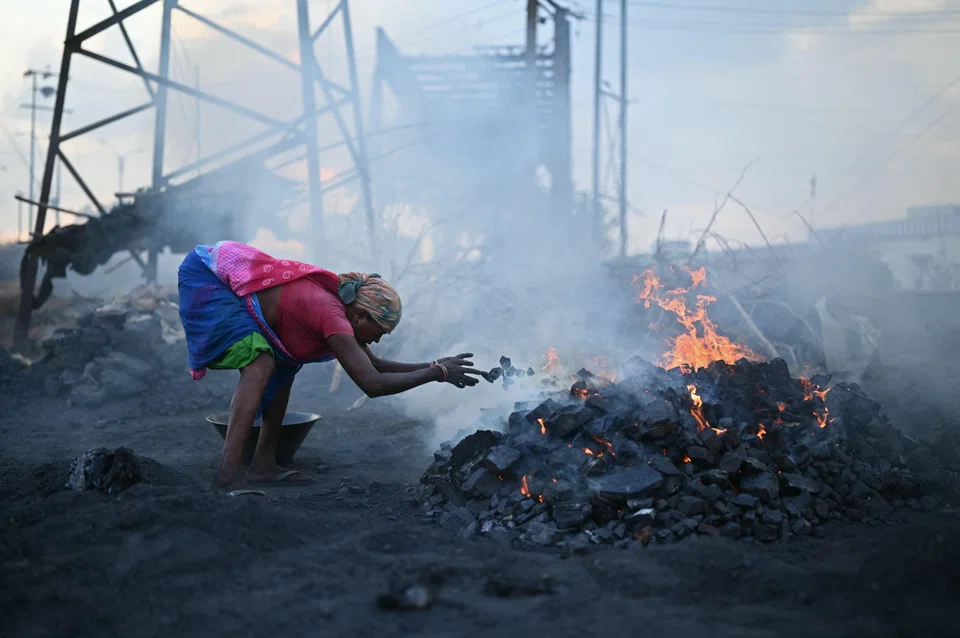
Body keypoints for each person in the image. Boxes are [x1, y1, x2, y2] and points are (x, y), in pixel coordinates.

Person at [177, 240, 481, 489]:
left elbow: (374, 365)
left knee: (283, 367)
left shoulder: (346, 316)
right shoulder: (332, 315)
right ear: (361, 317)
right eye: (379, 332)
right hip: (208, 276)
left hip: (223, 279)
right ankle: (225, 479)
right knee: (260, 365)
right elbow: (372, 385)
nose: (376, 340)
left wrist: (433, 365)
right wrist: (436, 374)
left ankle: (263, 466)